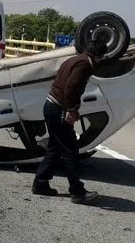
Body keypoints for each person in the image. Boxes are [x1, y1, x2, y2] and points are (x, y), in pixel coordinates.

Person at [32, 40, 107, 204]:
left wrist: (72, 108)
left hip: (51, 105)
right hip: (58, 108)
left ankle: (40, 183)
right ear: (99, 56)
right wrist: (71, 110)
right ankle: (77, 192)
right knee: (70, 150)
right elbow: (71, 88)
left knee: (54, 148)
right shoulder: (85, 65)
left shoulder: (74, 59)